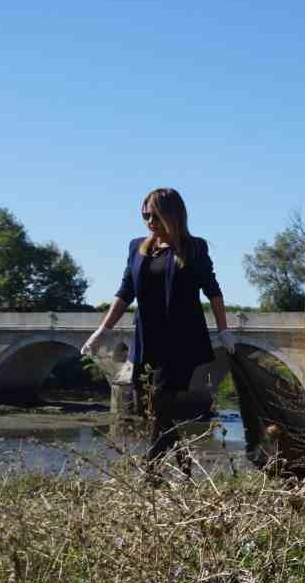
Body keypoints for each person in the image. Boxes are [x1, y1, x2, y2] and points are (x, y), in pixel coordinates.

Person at [82, 187, 236, 464]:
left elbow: (213, 290)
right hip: (147, 339)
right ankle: (185, 466)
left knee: (161, 404)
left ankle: (149, 473)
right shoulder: (137, 248)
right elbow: (125, 292)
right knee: (149, 410)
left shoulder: (194, 247)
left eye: (154, 215)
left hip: (181, 341)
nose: (148, 221)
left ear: (171, 215)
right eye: (144, 215)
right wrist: (102, 330)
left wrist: (224, 330)